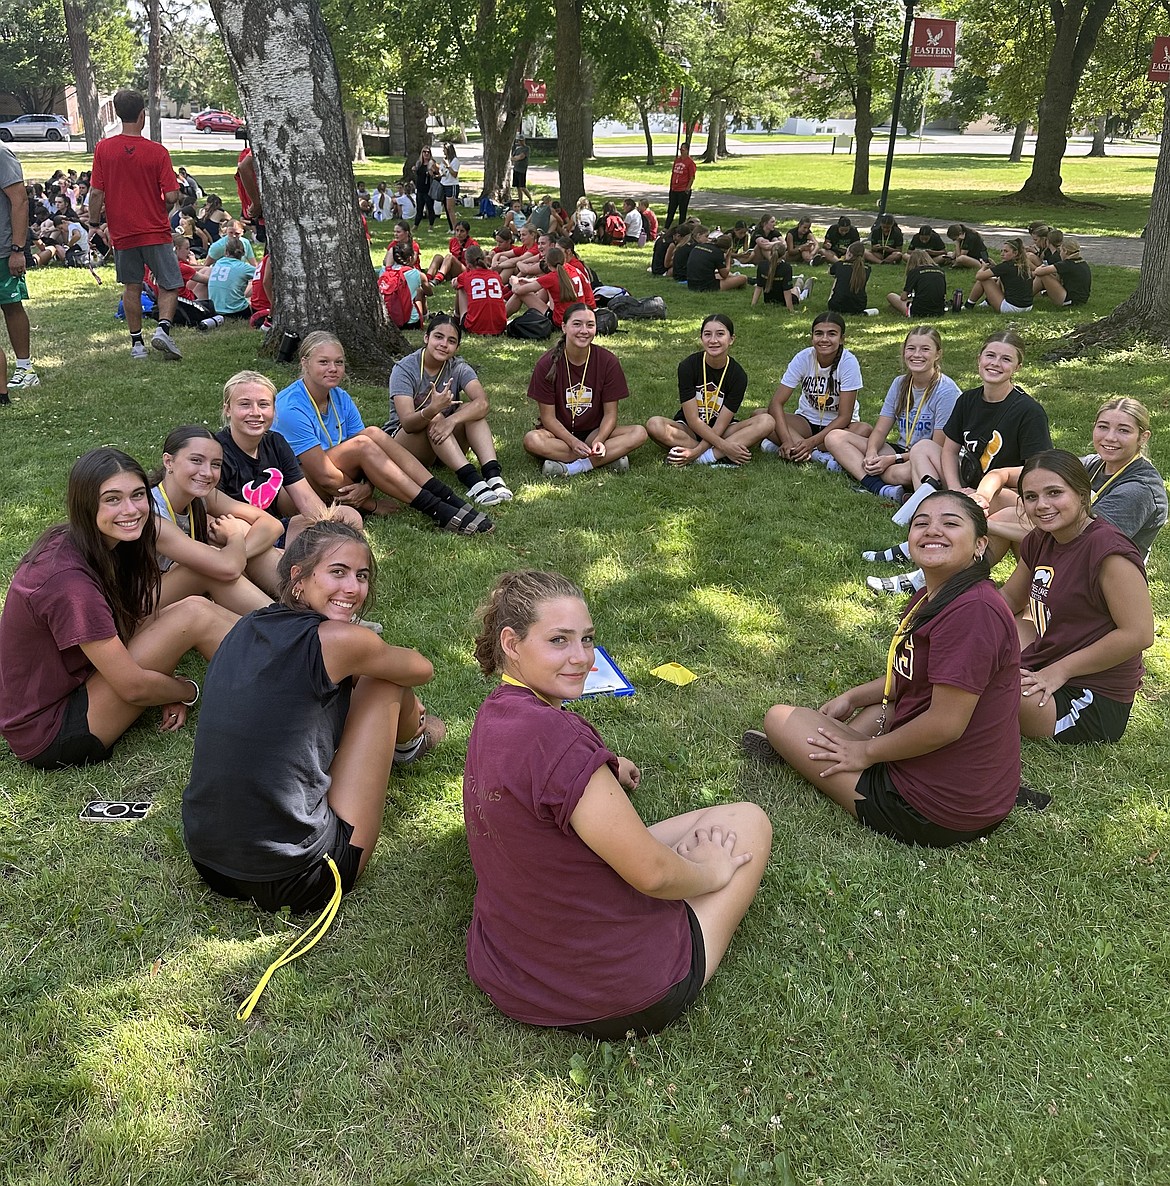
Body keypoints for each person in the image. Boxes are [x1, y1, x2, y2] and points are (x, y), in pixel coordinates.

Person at [463, 569, 771, 1036]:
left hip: (510, 968)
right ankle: (696, 875)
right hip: (616, 991)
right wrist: (710, 870)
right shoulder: (557, 739)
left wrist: (604, 765)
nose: (582, 658)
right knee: (749, 821)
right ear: (511, 642)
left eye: (587, 640)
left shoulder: (496, 713)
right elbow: (652, 875)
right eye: (559, 641)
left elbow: (538, 780)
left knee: (694, 833)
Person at [183, 519, 445, 914]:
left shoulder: (245, 626)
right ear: (298, 579)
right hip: (299, 876)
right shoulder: (343, 641)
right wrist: (374, 663)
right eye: (337, 572)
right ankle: (412, 741)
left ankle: (410, 735)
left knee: (367, 672)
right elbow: (421, 668)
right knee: (385, 681)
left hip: (209, 862)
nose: (353, 588)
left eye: (362, 575)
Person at [747, 492, 1021, 847]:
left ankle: (822, 752)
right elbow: (910, 677)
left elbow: (946, 725)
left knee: (780, 719)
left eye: (950, 523)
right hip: (964, 785)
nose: (932, 530)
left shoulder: (974, 612)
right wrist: (851, 697)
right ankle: (827, 747)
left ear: (980, 544)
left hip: (936, 810)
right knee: (878, 708)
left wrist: (865, 753)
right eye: (921, 523)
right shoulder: (940, 594)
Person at [0, 448, 236, 768]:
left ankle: (285, 655)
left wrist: (164, 684)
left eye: (138, 495)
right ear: (86, 504)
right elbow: (134, 687)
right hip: (52, 732)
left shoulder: (97, 542)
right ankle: (286, 681)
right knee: (194, 614)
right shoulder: (67, 581)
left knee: (193, 606)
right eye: (112, 499)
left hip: (84, 681)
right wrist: (183, 689)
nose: (131, 509)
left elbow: (127, 622)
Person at [864, 329, 1052, 594]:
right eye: (990, 355)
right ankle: (931, 533)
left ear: (1017, 367)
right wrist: (954, 490)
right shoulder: (968, 400)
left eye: (1006, 359)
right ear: (979, 359)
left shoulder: (1028, 412)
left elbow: (1036, 472)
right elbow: (949, 451)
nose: (995, 364)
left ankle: (926, 575)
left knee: (998, 503)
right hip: (969, 487)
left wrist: (987, 488)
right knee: (924, 446)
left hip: (1005, 497)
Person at [999, 451, 1154, 745]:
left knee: (987, 691)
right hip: (1043, 663)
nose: (1042, 505)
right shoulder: (1040, 539)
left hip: (1092, 692)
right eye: (1031, 497)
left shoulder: (1109, 552)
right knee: (966, 665)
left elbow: (1139, 634)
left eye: (1054, 493)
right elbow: (1009, 599)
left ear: (1082, 494)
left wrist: (1058, 671)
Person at [274, 331, 494, 535]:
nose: (333, 368)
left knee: (373, 434)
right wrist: (370, 503)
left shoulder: (340, 397)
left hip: (334, 480)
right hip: (294, 493)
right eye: (324, 362)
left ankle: (448, 498)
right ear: (305, 363)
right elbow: (323, 474)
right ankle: (437, 509)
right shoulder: (291, 406)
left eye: (339, 362)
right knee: (363, 444)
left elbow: (369, 452)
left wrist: (367, 486)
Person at [984, 398, 1166, 566]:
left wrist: (989, 525)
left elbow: (1081, 538)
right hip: (1069, 546)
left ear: (1143, 437)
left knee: (1009, 516)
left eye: (1123, 430)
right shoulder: (1095, 464)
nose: (1110, 437)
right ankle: (967, 578)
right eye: (1103, 427)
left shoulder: (1140, 489)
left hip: (1096, 567)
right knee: (1001, 501)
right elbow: (1003, 474)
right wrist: (980, 497)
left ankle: (969, 579)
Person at [88, 89, 183, 361]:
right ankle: (163, 329)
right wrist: (162, 208)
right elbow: (173, 196)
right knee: (169, 284)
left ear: (118, 114)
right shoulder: (157, 152)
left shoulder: (104, 149)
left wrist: (94, 224)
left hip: (123, 231)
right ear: (142, 115)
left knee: (131, 286)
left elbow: (96, 193)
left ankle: (136, 345)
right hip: (155, 229)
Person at [215, 370, 363, 546]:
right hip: (237, 533)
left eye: (263, 404)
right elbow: (214, 513)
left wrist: (327, 526)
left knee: (348, 515)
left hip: (275, 529)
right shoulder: (217, 451)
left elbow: (307, 499)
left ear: (274, 409)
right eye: (245, 404)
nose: (255, 412)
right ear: (228, 410)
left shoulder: (276, 443)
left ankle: (317, 552)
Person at [150, 425, 282, 614]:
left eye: (216, 464)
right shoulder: (151, 512)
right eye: (196, 460)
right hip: (143, 604)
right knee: (211, 560)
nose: (207, 472)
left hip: (178, 587)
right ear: (168, 461)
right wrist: (234, 537)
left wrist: (239, 551)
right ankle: (284, 624)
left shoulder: (203, 497)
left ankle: (302, 602)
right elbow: (228, 567)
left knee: (244, 530)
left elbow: (272, 525)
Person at [387, 314, 512, 505]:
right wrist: (433, 410)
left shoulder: (458, 367)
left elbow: (483, 403)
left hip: (444, 440)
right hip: (406, 443)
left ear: (457, 348)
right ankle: (473, 481)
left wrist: (451, 421)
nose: (444, 344)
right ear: (426, 338)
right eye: (438, 337)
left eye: (451, 341)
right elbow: (407, 423)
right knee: (435, 416)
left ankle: (493, 475)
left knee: (473, 410)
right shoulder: (405, 368)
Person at [826, 325, 961, 502]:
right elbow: (881, 430)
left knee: (898, 473)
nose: (917, 354)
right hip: (901, 451)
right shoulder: (900, 383)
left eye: (925, 349)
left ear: (937, 355)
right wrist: (871, 453)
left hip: (928, 459)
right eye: (911, 348)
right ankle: (882, 487)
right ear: (904, 351)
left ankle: (863, 474)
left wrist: (891, 460)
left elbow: (938, 447)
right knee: (834, 437)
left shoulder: (946, 391)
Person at [524, 303, 648, 478]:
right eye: (577, 324)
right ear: (564, 327)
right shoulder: (546, 364)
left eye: (590, 325)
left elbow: (610, 414)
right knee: (532, 440)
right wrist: (573, 442)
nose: (584, 330)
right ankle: (608, 457)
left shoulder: (608, 361)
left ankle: (572, 467)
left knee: (639, 433)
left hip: (594, 432)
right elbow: (548, 418)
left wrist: (599, 440)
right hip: (558, 436)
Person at [646, 313, 775, 467]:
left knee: (767, 421)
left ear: (731, 339)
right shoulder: (688, 366)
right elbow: (693, 420)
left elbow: (720, 425)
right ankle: (719, 454)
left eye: (720, 334)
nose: (713, 340)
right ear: (701, 338)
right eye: (707, 334)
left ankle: (702, 458)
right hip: (690, 429)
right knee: (654, 424)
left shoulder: (738, 375)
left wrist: (696, 452)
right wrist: (726, 446)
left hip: (723, 430)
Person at [758, 312, 869, 464]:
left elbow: (845, 416)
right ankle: (810, 453)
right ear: (812, 337)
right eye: (819, 333)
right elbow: (776, 403)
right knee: (761, 415)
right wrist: (786, 439)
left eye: (832, 334)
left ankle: (799, 449)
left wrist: (810, 443)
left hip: (838, 428)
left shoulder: (849, 362)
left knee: (864, 430)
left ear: (842, 339)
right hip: (806, 422)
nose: (824, 339)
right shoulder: (803, 358)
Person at [1, 144, 37, 399]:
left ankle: (25, 368)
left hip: (3, 249)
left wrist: (17, 249)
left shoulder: (1, 154)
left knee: (11, 305)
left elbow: (20, 200)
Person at [509, 246, 594, 325]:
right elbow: (548, 281)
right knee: (545, 288)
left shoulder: (552, 278)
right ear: (564, 259)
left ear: (547, 264)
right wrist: (530, 280)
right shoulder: (573, 270)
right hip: (581, 316)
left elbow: (517, 290)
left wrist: (514, 281)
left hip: (560, 320)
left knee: (521, 293)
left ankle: (500, 319)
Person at [963, 238, 1034, 313]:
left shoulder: (1006, 266)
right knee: (997, 278)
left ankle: (968, 305)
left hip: (1012, 308)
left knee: (985, 279)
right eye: (1001, 251)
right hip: (1028, 307)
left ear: (1015, 253)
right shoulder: (1023, 265)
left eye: (1006, 251)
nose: (1002, 254)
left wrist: (983, 267)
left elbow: (979, 276)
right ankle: (987, 302)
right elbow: (1007, 274)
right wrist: (995, 267)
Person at [200, 239, 255, 331]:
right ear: (243, 253)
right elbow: (262, 275)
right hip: (236, 311)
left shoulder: (218, 263)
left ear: (226, 252)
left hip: (214, 309)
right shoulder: (244, 268)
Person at [454, 244, 508, 336]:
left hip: (474, 326)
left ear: (468, 264)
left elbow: (455, 284)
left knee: (460, 288)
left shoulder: (465, 276)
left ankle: (456, 318)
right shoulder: (495, 275)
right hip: (500, 327)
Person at [886, 248, 947, 318]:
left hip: (919, 311)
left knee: (891, 296)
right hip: (939, 310)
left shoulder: (914, 272)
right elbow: (944, 295)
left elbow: (903, 297)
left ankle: (900, 309)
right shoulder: (940, 271)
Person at [1032, 237, 1092, 307]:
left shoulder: (1066, 264)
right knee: (1048, 275)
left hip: (1071, 300)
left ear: (1065, 251)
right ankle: (1027, 295)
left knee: (1043, 275)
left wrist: (1040, 267)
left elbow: (1039, 272)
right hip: (1081, 299)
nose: (1060, 254)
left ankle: (1025, 297)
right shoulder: (1082, 262)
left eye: (1060, 251)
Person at [686, 227, 748, 292]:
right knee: (743, 278)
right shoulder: (718, 253)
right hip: (706, 286)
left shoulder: (700, 246)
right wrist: (728, 257)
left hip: (691, 284)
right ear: (727, 249)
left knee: (729, 275)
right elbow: (724, 275)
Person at [426, 219, 478, 284]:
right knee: (438, 257)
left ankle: (437, 280)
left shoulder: (473, 244)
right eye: (457, 230)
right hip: (452, 268)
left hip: (465, 271)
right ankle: (427, 278)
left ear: (467, 232)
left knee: (449, 257)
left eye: (462, 231)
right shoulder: (452, 241)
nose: (459, 233)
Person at [826, 240, 871, 314]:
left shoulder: (840, 265)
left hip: (836, 306)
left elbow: (830, 272)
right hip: (859, 306)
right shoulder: (867, 269)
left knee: (837, 279)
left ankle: (837, 298)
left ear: (849, 254)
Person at [666, 144, 697, 228]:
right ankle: (666, 227)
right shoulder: (677, 160)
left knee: (682, 211)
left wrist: (687, 188)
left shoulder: (690, 163)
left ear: (687, 150)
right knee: (671, 210)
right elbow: (673, 173)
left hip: (683, 190)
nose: (681, 151)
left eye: (683, 149)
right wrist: (671, 186)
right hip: (674, 189)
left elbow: (692, 177)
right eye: (680, 149)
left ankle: (681, 228)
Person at [412, 146, 437, 229]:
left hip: (428, 189)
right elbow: (418, 174)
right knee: (419, 208)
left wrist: (431, 172)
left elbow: (436, 174)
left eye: (428, 152)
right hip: (420, 189)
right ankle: (416, 225)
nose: (426, 154)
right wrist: (414, 169)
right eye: (424, 152)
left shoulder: (432, 163)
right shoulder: (419, 163)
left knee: (430, 208)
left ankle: (431, 225)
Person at [439, 143, 461, 231]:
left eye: (444, 149)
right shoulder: (444, 160)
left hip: (451, 185)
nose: (443, 151)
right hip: (444, 184)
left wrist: (448, 166)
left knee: (450, 208)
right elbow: (442, 172)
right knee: (446, 208)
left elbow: (454, 174)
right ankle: (451, 227)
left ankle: (455, 228)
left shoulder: (455, 161)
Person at [510, 136, 531, 203]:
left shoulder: (526, 148)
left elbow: (521, 157)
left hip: (522, 169)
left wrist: (517, 158)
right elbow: (512, 158)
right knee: (518, 187)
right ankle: (520, 202)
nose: (520, 142)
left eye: (522, 140)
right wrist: (516, 158)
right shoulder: (517, 149)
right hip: (516, 169)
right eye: (519, 140)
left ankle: (530, 199)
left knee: (522, 187)